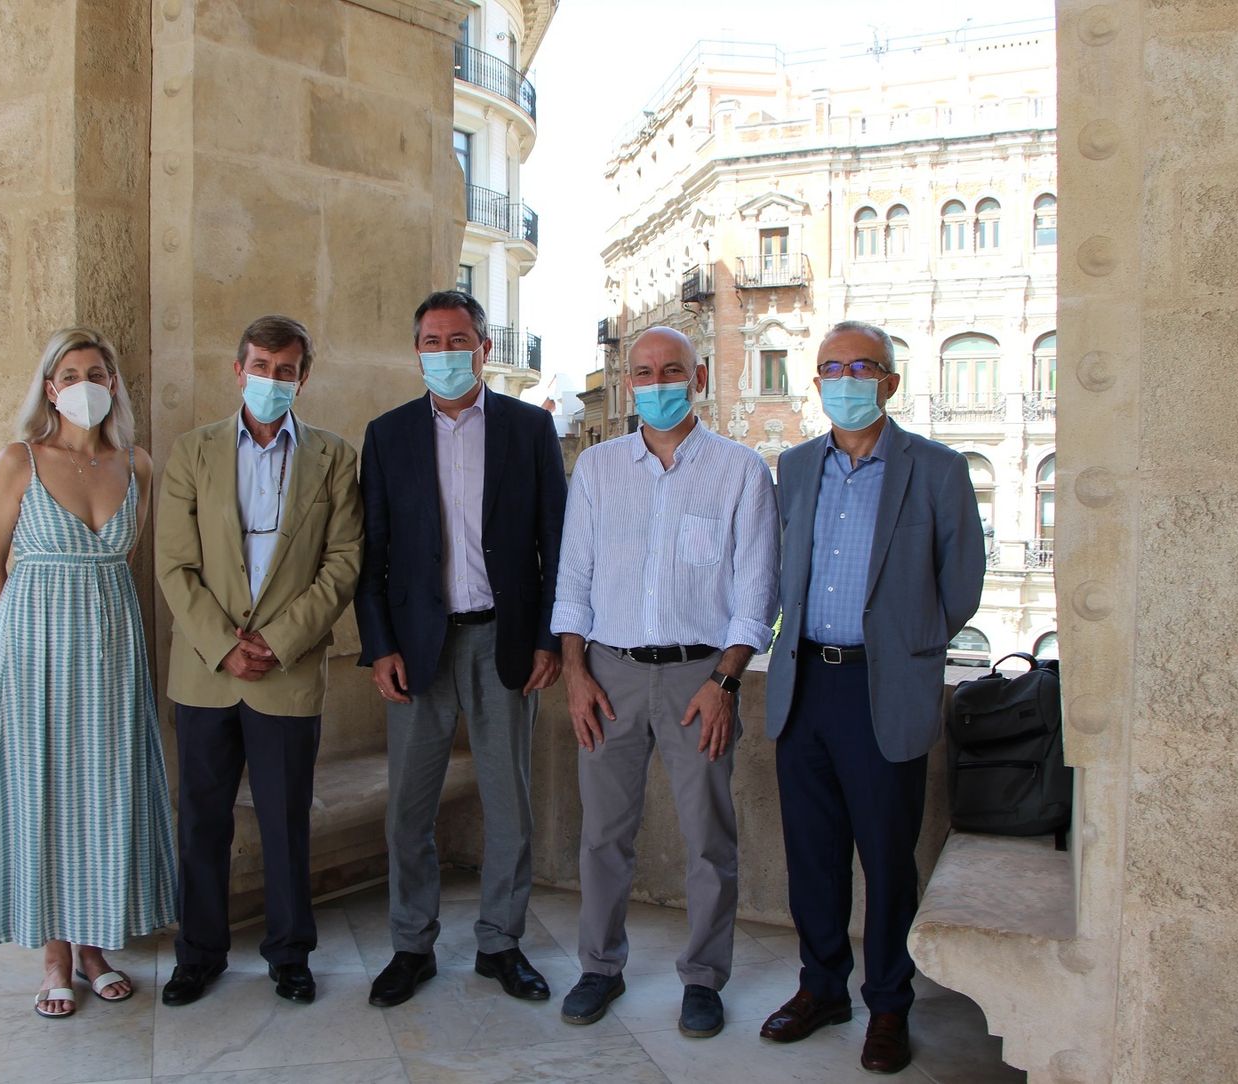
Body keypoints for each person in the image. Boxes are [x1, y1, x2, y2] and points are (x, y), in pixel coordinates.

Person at [760, 320, 984, 1074]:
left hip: (883, 686)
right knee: (813, 857)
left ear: (890, 381)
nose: (847, 379)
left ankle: (889, 1003)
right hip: (805, 686)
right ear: (816, 382)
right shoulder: (792, 467)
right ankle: (822, 987)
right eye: (832, 367)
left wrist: (907, 645)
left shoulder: (938, 469)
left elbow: (962, 585)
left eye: (864, 366)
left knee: (888, 861)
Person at [551, 325, 779, 1038]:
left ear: (700, 378)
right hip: (609, 672)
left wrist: (725, 681)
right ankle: (599, 966)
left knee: (708, 837)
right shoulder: (596, 470)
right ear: (627, 383)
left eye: (671, 371)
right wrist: (575, 673)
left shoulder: (741, 471)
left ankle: (704, 978)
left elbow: (756, 594)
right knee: (603, 835)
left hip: (698, 678)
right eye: (643, 373)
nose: (656, 384)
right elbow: (574, 581)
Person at [355, 290, 567, 1008]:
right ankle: (411, 947)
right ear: (416, 350)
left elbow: (554, 544)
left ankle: (500, 945)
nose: (445, 353)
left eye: (458, 340)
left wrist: (547, 639)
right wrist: (379, 646)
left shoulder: (530, 429)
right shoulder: (386, 436)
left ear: (484, 347)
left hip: (501, 641)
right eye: (431, 341)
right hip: (419, 646)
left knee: (510, 804)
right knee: (406, 813)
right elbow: (372, 556)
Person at [155, 315, 362, 1008]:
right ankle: (199, 953)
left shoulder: (334, 457)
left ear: (304, 376)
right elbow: (175, 565)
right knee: (202, 821)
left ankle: (289, 954)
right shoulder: (192, 452)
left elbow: (343, 562)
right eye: (260, 365)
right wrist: (223, 643)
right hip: (206, 672)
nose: (272, 379)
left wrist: (280, 641)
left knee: (285, 821)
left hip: (289, 669)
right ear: (236, 368)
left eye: (286, 369)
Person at [0, 326, 177, 1019]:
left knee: (105, 792)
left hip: (113, 654)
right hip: (34, 653)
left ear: (113, 383)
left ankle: (96, 949)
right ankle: (56, 957)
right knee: (48, 794)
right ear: (50, 387)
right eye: (70, 373)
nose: (84, 383)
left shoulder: (137, 464)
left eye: (97, 371)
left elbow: (124, 561)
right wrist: (8, 655)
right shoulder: (19, 460)